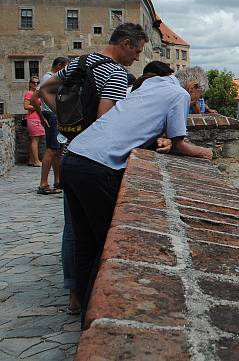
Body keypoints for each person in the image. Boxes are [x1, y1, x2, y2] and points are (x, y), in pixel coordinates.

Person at [60, 65, 212, 323]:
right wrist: (206, 153)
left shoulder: (154, 84)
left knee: (85, 242)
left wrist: (157, 138)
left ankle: (86, 310)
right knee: (108, 241)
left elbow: (139, 120)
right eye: (199, 96)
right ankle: (102, 314)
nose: (196, 101)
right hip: (98, 166)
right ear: (193, 87)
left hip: (75, 155)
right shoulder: (180, 95)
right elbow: (179, 144)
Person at [39, 23, 149, 319]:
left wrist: (65, 122)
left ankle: (74, 292)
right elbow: (105, 120)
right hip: (93, 158)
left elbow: (44, 89)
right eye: (136, 51)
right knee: (90, 228)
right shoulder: (114, 72)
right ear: (125, 43)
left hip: (71, 149)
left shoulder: (82, 61)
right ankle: (92, 294)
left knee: (72, 224)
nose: (137, 58)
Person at [33, 57, 70, 194]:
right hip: (52, 115)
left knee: (58, 150)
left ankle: (58, 181)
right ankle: (43, 184)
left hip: (56, 116)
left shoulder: (51, 78)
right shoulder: (48, 78)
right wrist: (42, 117)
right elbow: (33, 99)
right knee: (51, 149)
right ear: (59, 66)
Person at [23, 77, 46, 169]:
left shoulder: (36, 93)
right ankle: (36, 161)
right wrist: (38, 107)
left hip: (36, 118)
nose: (36, 84)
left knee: (35, 140)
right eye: (34, 82)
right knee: (35, 140)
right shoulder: (29, 93)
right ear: (30, 84)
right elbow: (26, 106)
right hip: (33, 119)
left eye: (37, 83)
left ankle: (31, 160)